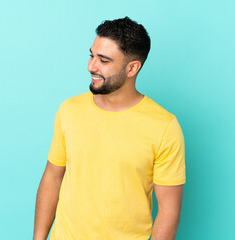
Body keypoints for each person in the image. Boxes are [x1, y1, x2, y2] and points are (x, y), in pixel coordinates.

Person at [33, 16, 186, 240]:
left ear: (132, 68)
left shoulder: (164, 127)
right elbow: (52, 177)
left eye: (103, 60)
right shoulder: (69, 110)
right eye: (91, 55)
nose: (90, 66)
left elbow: (169, 210)